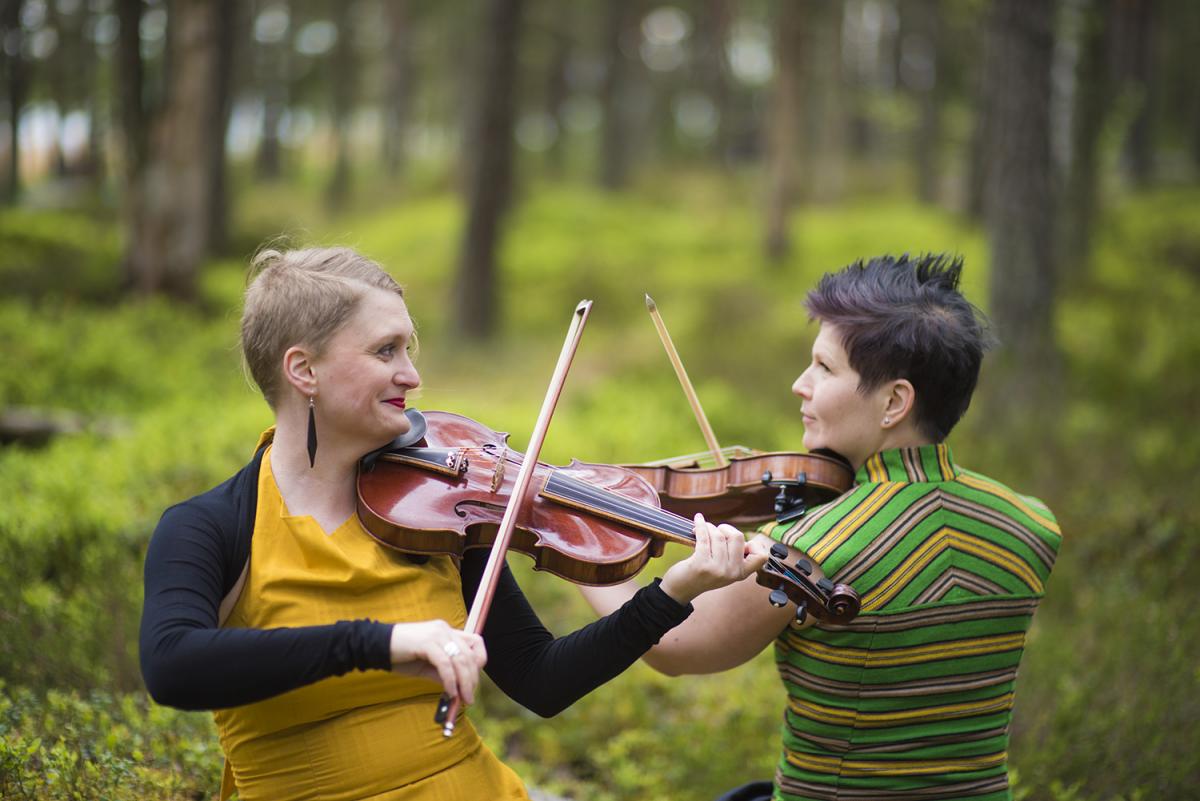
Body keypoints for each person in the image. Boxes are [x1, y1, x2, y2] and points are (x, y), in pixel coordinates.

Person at [139, 246, 770, 801]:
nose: (412, 374)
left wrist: (672, 593)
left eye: (409, 348)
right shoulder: (210, 527)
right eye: (386, 350)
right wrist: (382, 644)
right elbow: (173, 665)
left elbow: (542, 680)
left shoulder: (435, 512)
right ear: (303, 370)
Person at [581, 254, 1062, 801]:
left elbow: (674, 646)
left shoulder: (810, 549)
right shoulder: (1031, 524)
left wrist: (580, 544)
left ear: (894, 402)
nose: (799, 385)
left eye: (824, 369)